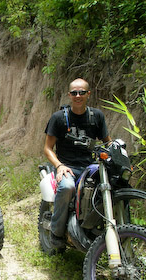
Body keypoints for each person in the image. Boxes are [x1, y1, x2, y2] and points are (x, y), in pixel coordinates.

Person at [43, 78, 111, 249]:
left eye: (81, 92)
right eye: (74, 93)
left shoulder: (97, 116)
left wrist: (117, 151)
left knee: (109, 187)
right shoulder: (58, 118)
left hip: (90, 166)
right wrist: (59, 166)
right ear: (69, 95)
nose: (78, 96)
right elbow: (48, 148)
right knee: (67, 188)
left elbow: (107, 143)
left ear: (88, 93)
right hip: (66, 166)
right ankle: (56, 234)